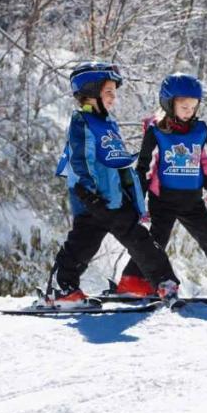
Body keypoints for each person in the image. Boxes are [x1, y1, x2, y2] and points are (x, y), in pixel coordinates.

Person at [47, 62, 181, 307]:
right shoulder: (83, 121)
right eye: (108, 92)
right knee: (117, 241)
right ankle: (164, 283)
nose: (113, 98)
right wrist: (89, 191)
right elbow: (80, 158)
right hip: (96, 198)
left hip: (113, 197)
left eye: (114, 93)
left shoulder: (108, 123)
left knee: (91, 242)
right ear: (91, 92)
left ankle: (68, 286)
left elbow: (117, 163)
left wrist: (132, 193)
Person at [113, 73, 207, 299]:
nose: (189, 111)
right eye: (184, 106)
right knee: (154, 244)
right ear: (169, 104)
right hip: (162, 200)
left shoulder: (200, 131)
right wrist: (137, 201)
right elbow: (145, 167)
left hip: (192, 201)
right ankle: (134, 280)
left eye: (193, 106)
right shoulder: (157, 132)